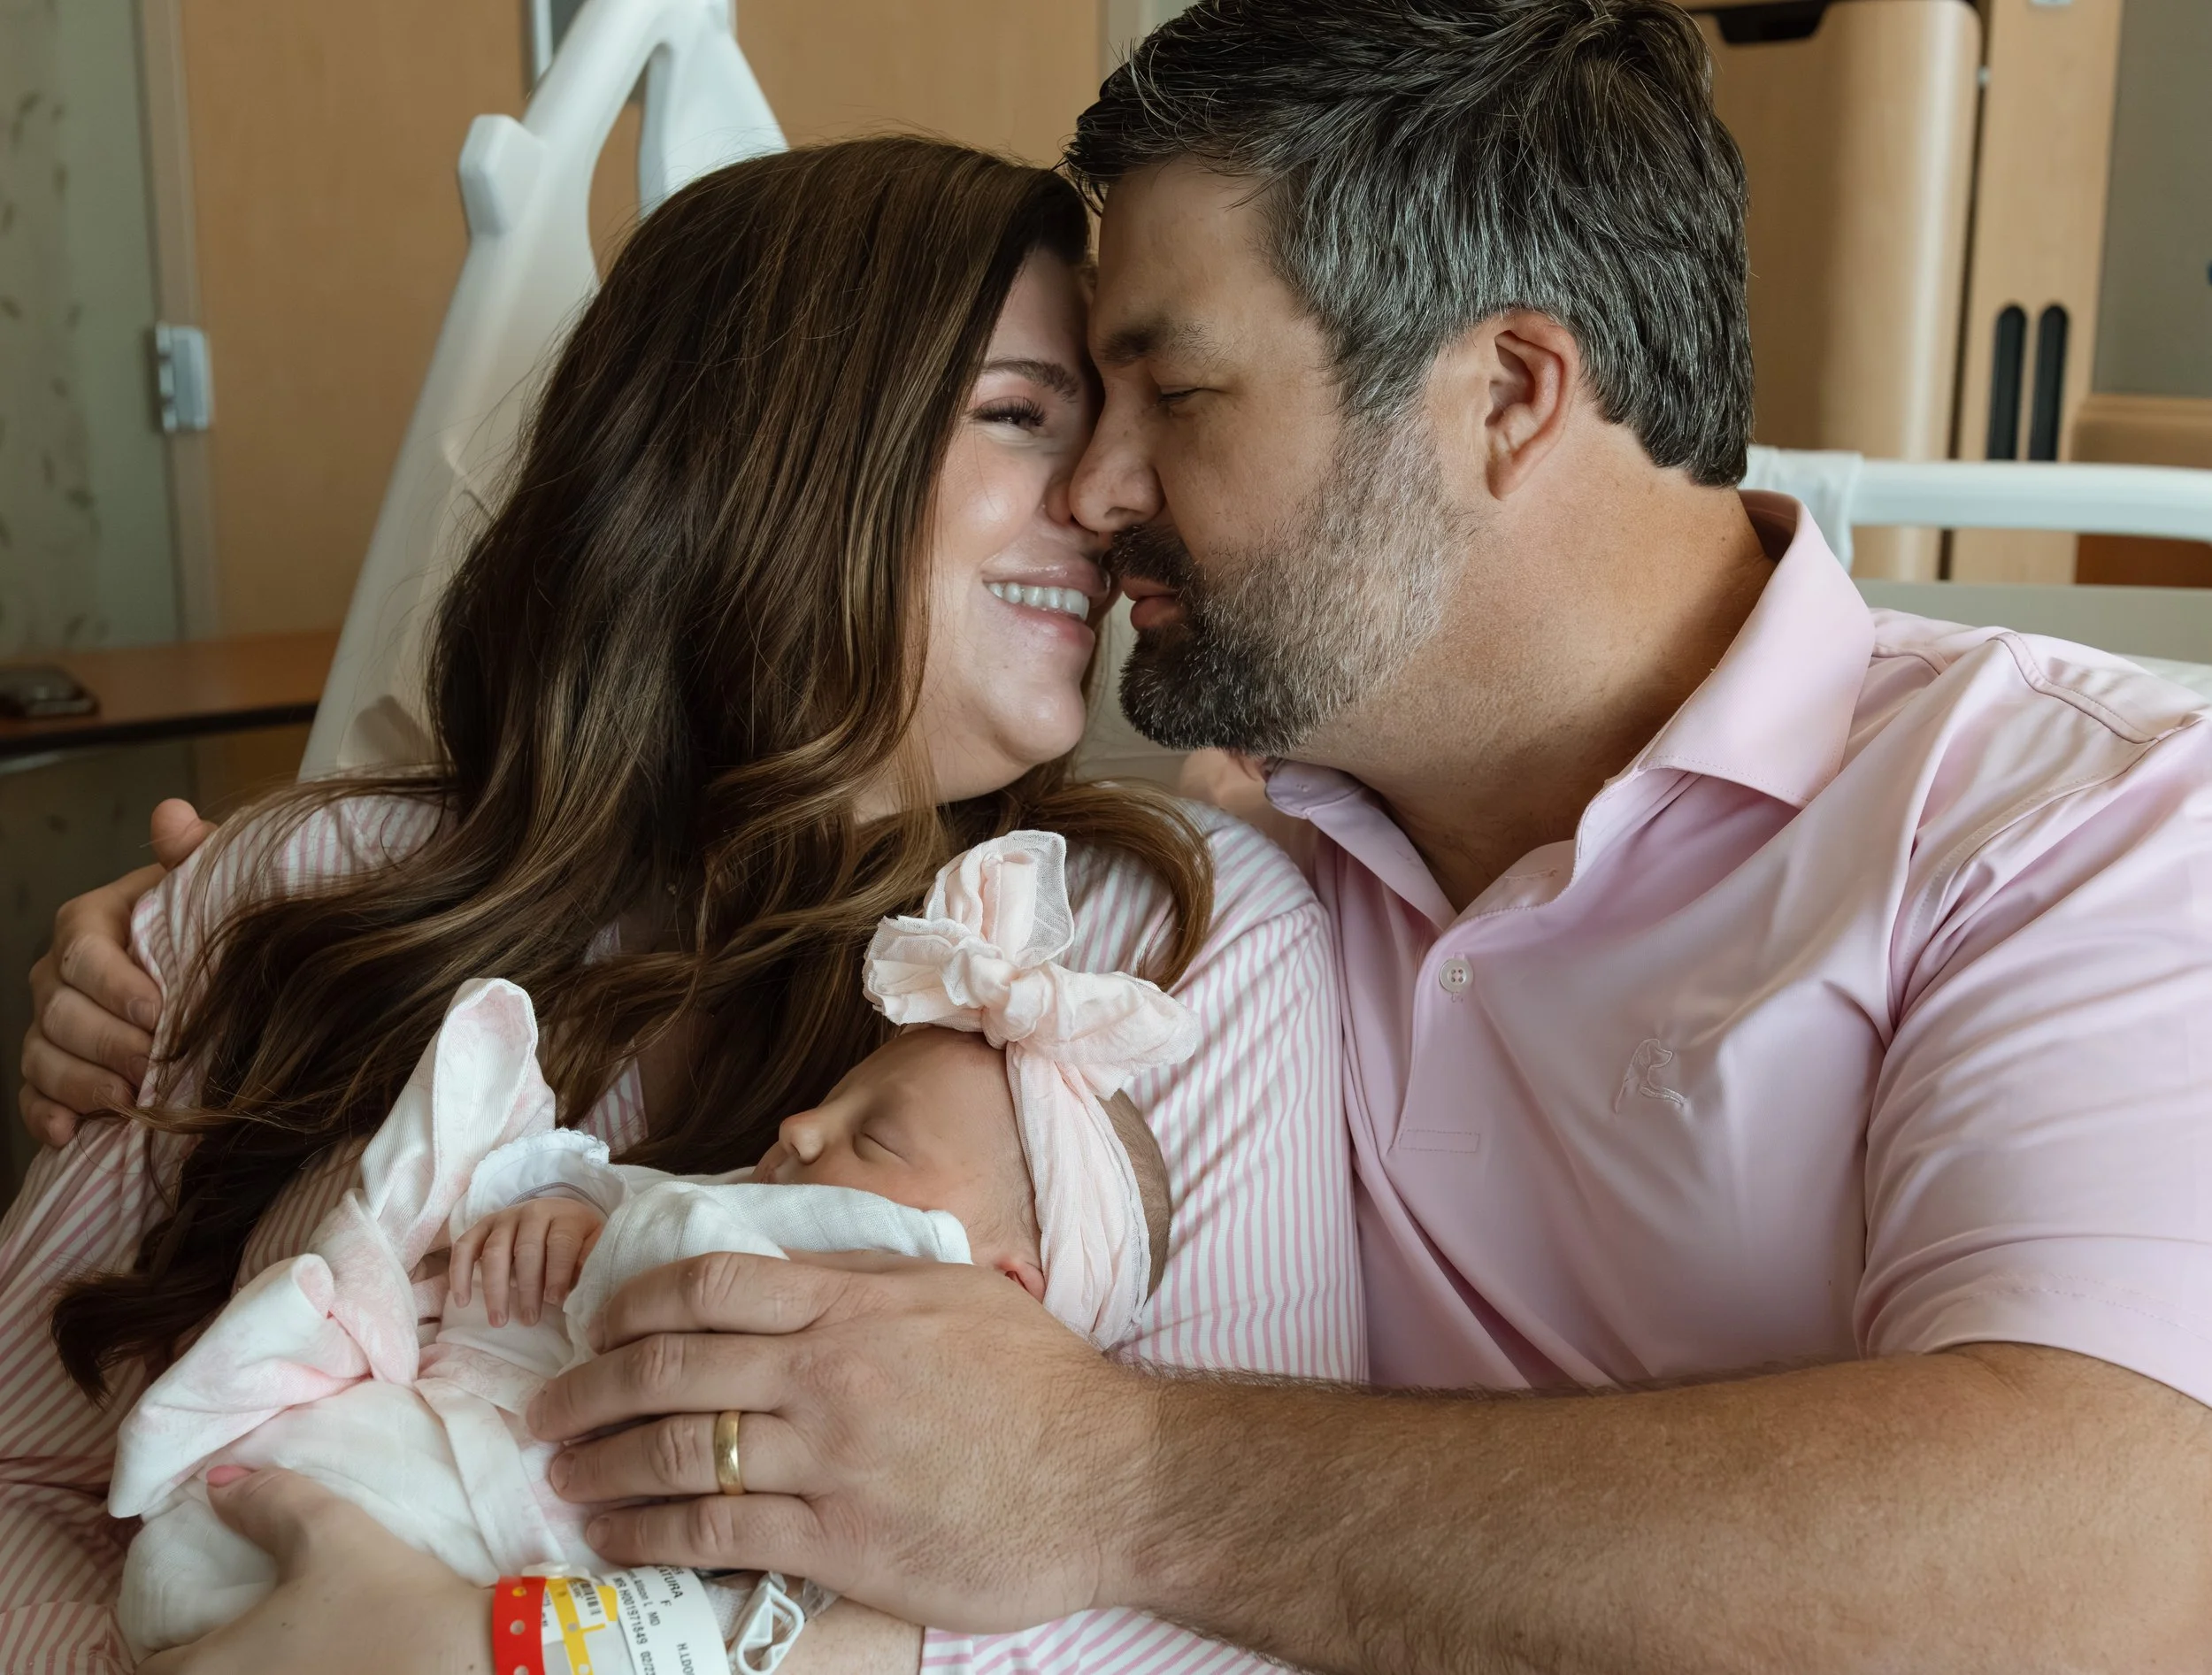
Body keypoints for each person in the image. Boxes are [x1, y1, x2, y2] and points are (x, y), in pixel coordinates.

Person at [504, 2, 2206, 1668]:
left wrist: (1119, 1474)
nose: (1097, 492)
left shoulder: (2076, 825)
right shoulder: (1204, 863)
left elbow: (2108, 1566)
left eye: (1173, 391)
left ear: (1509, 396)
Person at [4, 135, 1359, 1672]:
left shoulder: (1176, 949)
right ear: (772, 450)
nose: (1114, 506)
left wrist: (498, 1651)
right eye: (1018, 420)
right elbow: (22, 1472)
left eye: (1119, 432)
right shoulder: (296, 891)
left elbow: (1238, 1609)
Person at [117, 831, 1191, 1663]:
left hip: (481, 1572)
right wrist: (560, 1215)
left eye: (874, 1136)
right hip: (353, 1489)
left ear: (1006, 1292)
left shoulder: (931, 1412)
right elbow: (639, 1221)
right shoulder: (724, 1207)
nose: (798, 1130)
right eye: (831, 1102)